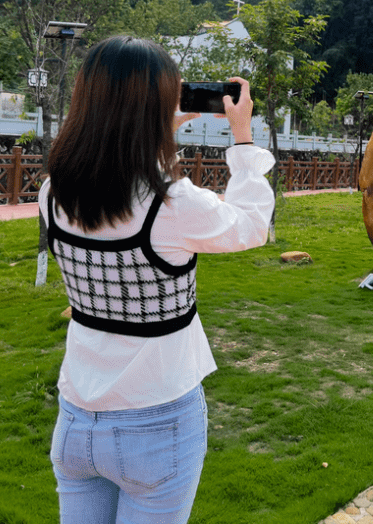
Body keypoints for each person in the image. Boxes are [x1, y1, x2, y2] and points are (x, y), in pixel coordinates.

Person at [38, 35, 275, 524]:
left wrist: (159, 126)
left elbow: (123, 177)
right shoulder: (173, 205)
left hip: (77, 416)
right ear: (157, 104)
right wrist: (243, 137)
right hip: (157, 420)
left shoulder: (53, 193)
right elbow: (252, 225)